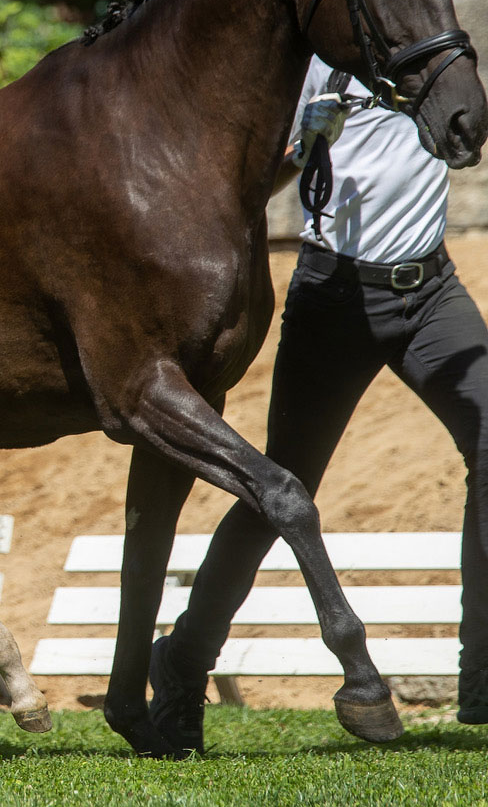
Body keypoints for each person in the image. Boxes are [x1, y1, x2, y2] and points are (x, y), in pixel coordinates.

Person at [148, 55, 488, 752]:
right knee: (277, 492)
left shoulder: (439, 49)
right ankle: (181, 665)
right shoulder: (317, 61)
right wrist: (304, 146)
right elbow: (251, 184)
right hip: (334, 297)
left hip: (430, 291)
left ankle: (482, 680)